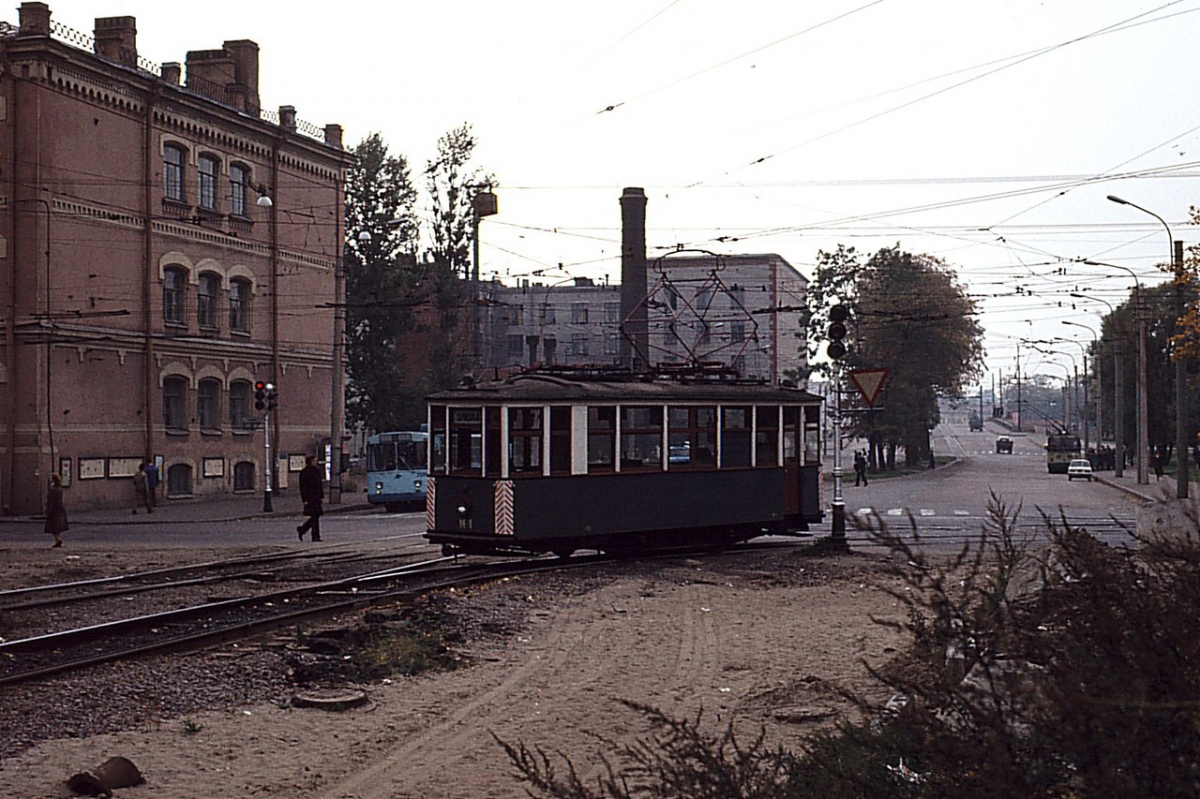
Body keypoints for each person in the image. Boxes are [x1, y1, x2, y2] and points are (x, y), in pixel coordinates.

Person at [296, 455, 323, 542]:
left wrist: (321, 496)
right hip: (312, 497)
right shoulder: (308, 472)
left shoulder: (314, 471)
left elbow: (319, 484)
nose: (316, 462)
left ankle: (305, 531)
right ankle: (313, 535)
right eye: (314, 460)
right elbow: (303, 486)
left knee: (315, 516)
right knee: (315, 516)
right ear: (311, 461)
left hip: (314, 497)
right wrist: (304, 499)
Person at [44, 473, 68, 548]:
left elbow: (50, 501)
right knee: (57, 526)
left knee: (53, 526)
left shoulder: (53, 490)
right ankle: (58, 539)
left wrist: (48, 510)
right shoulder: (59, 488)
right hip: (60, 508)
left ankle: (58, 539)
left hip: (54, 509)